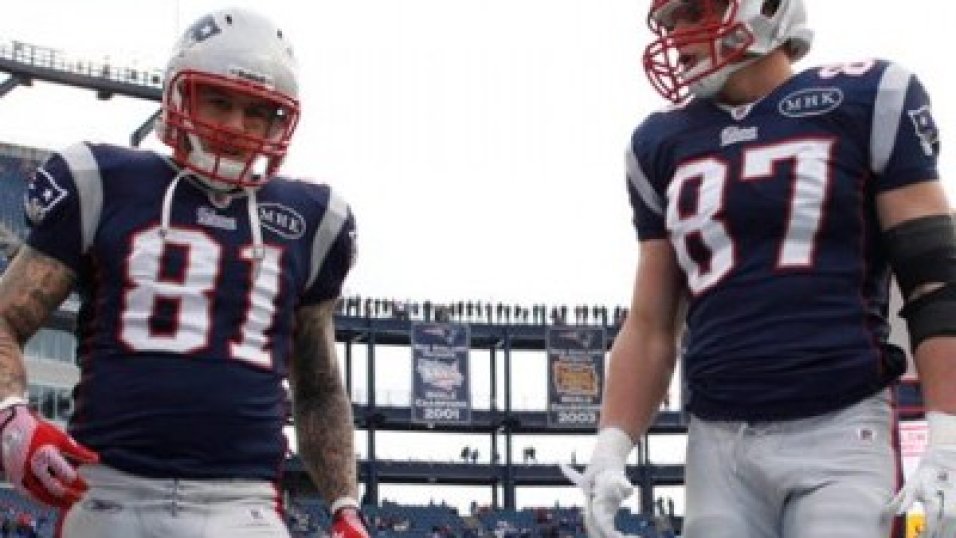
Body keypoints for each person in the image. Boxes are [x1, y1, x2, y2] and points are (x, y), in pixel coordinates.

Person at [563, 0, 956, 537]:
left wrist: (948, 434)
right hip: (718, 440)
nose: (676, 36)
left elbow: (936, 279)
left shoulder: (869, 97)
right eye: (669, 22)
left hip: (840, 423)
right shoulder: (660, 143)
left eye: (692, 13)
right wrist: (611, 446)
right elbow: (652, 323)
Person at [0, 8, 370, 538]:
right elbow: (5, 321)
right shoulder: (102, 182)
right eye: (219, 100)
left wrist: (343, 503)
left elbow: (317, 385)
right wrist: (12, 416)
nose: (237, 127)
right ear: (178, 96)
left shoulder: (314, 219)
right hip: (107, 490)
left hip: (244, 502)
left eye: (258, 111)